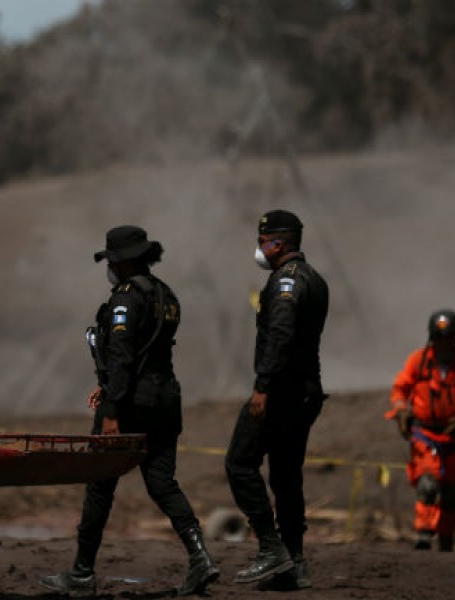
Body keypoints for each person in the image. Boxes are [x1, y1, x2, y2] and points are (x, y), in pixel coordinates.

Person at [40, 225, 219, 597]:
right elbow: (148, 354)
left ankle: (82, 571)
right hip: (166, 401)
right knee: (162, 483)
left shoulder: (124, 299)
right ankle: (201, 557)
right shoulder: (166, 295)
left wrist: (111, 409)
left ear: (122, 262)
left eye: (112, 261)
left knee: (100, 485)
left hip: (130, 404)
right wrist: (109, 385)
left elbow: (122, 356)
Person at [224, 209, 328, 591]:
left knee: (239, 463)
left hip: (282, 390)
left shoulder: (285, 283)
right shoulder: (314, 278)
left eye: (262, 240)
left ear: (278, 243)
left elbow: (281, 335)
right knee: (286, 476)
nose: (259, 247)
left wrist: (262, 386)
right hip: (306, 390)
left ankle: (270, 548)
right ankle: (294, 560)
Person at [386, 309, 455, 552]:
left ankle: (446, 540)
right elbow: (400, 389)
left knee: (451, 492)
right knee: (427, 483)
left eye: (449, 337)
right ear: (432, 338)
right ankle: (424, 533)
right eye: (440, 337)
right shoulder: (419, 360)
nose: (445, 343)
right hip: (425, 435)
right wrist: (401, 411)